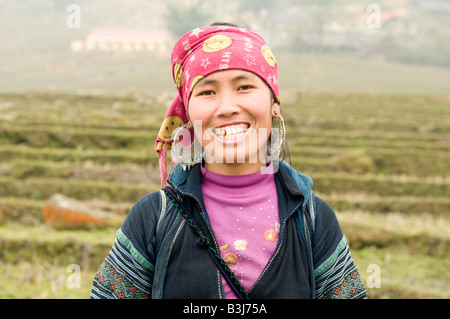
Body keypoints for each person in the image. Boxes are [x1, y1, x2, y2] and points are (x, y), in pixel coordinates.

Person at [90, 22, 367, 299]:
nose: (226, 108)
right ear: (188, 112)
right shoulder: (153, 217)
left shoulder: (313, 219)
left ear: (274, 104)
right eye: (207, 92)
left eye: (244, 87)